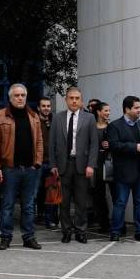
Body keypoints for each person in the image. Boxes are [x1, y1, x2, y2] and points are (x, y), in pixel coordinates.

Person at [0, 83, 44, 250]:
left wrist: (37, 163)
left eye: (23, 95)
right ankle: (5, 238)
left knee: (28, 206)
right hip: (9, 169)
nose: (20, 98)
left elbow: (39, 141)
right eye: (17, 95)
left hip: (30, 169)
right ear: (10, 97)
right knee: (7, 205)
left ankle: (29, 237)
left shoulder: (34, 116)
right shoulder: (0, 116)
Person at [50, 87, 100, 243]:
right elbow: (52, 143)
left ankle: (81, 231)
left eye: (77, 98)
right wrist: (53, 164)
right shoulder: (57, 118)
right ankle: (66, 231)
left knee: (81, 201)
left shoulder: (89, 118)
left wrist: (91, 165)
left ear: (81, 101)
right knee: (63, 202)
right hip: (63, 165)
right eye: (71, 98)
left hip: (82, 166)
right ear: (66, 100)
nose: (74, 101)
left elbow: (94, 144)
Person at [107, 95, 140, 242]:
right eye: (136, 108)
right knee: (120, 202)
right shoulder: (115, 126)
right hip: (124, 173)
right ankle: (115, 231)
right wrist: (135, 147)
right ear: (127, 109)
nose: (139, 110)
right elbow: (114, 145)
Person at [35, 97, 58, 230]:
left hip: (51, 163)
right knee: (36, 192)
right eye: (43, 106)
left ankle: (50, 220)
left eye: (48, 106)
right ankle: (37, 216)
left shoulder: (54, 121)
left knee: (51, 192)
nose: (46, 108)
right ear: (38, 108)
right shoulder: (34, 121)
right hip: (37, 163)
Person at [91, 101, 112, 233]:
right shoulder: (91, 127)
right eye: (106, 110)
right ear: (98, 112)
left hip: (110, 162)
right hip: (96, 163)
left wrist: (110, 144)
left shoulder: (112, 127)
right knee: (99, 194)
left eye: (109, 111)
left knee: (115, 193)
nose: (108, 113)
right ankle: (104, 223)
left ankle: (118, 224)